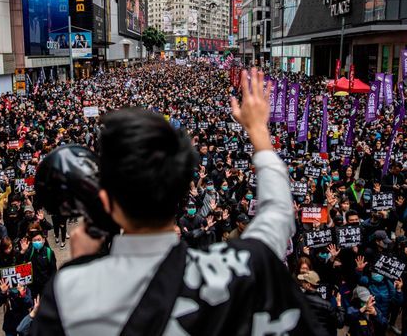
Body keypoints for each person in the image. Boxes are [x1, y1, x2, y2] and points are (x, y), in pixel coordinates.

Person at [32, 68, 319, 334]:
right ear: (183, 189)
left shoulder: (69, 294)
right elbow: (279, 213)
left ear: (105, 200)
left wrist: (83, 265)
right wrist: (257, 130)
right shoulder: (244, 265)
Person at [297, 271, 344, 335]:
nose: (302, 283)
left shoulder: (299, 300)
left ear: (308, 285)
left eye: (303, 282)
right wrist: (339, 303)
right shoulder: (327, 305)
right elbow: (340, 323)